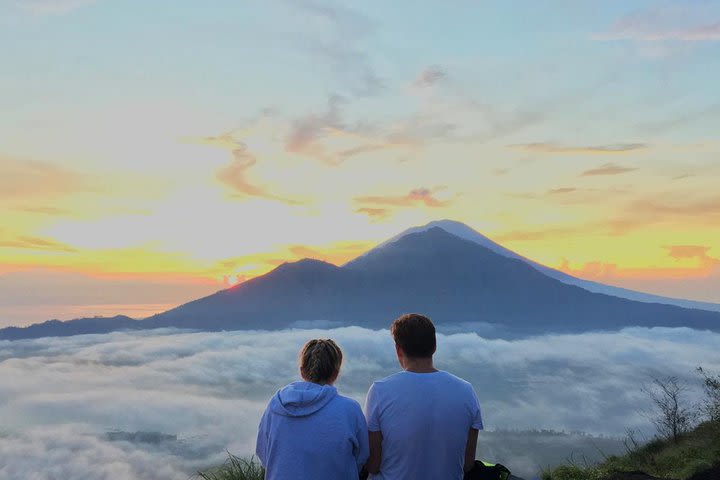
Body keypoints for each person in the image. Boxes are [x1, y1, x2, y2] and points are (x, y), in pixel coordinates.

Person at [364, 313, 484, 480]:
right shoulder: (466, 391)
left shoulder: (380, 391)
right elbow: (467, 463)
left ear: (398, 350)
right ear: (434, 346)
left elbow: (373, 465)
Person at [256, 338, 369, 480]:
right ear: (336, 373)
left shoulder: (276, 405)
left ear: (302, 371)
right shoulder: (350, 410)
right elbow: (362, 457)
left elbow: (264, 454)